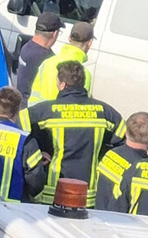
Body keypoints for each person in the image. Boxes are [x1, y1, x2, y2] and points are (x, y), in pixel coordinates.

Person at [19, 61, 125, 208]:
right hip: (87, 195)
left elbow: (18, 132)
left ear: (62, 85)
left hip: (53, 192)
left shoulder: (44, 111)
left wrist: (37, 153)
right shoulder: (106, 112)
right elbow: (125, 145)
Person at [95, 112, 148, 212]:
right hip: (118, 223)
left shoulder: (110, 154)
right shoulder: (140, 169)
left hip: (98, 215)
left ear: (125, 132)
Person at [28, 21, 95, 105]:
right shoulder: (84, 73)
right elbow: (81, 106)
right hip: (61, 117)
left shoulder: (47, 63)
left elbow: (34, 96)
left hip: (40, 115)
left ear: (69, 38)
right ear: (90, 42)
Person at [15, 12, 61, 97]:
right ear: (54, 34)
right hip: (33, 106)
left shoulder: (26, 47)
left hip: (21, 102)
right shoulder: (47, 59)